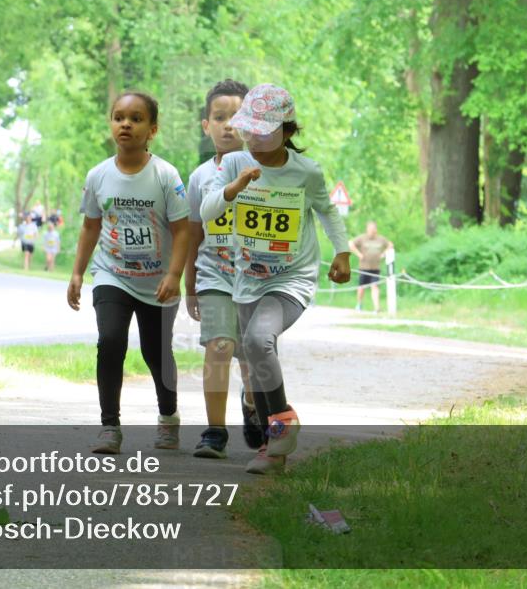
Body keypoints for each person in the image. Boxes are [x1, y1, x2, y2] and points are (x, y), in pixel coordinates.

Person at [200, 84, 351, 474]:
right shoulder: (234, 163)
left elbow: (328, 212)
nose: (252, 140)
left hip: (291, 278)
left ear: (287, 131)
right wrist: (234, 189)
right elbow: (206, 209)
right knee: (256, 354)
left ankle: (283, 419)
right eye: (248, 130)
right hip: (247, 277)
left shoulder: (305, 171)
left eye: (262, 133)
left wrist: (342, 251)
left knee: (256, 340)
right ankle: (273, 451)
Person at [67, 91, 190, 454]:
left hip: (157, 283)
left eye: (136, 119)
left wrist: (174, 274)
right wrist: (77, 273)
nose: (126, 124)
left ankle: (168, 417)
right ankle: (110, 427)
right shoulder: (98, 175)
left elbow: (182, 230)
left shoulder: (166, 175)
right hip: (112, 274)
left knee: (157, 353)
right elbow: (90, 227)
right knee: (110, 341)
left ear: (152, 129)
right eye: (119, 117)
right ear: (111, 123)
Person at [185, 79, 263, 459]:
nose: (228, 124)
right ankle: (215, 431)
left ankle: (252, 404)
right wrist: (188, 283)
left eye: (237, 116)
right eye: (219, 117)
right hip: (214, 273)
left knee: (250, 357)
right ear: (206, 125)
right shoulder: (200, 178)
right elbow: (192, 233)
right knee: (219, 345)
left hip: (255, 280)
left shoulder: (267, 172)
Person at [349, 221, 393, 313]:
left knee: (375, 286)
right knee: (361, 287)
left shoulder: (380, 239)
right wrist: (359, 254)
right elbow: (350, 243)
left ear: (376, 230)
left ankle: (377, 308)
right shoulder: (362, 238)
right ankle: (359, 304)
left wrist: (383, 254)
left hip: (375, 268)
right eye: (370, 229)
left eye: (373, 229)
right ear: (367, 229)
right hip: (364, 268)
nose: (372, 231)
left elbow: (390, 245)